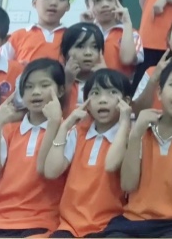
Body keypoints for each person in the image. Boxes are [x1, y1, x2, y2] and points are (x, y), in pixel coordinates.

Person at [105, 58, 172, 238]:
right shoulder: (141, 128)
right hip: (134, 219)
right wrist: (136, 134)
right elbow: (127, 184)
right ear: (160, 93)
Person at [0, 59, 69, 237]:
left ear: (61, 90)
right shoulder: (9, 130)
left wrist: (55, 123)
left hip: (41, 221)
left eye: (44, 85)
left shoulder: (67, 130)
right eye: (29, 87)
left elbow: (44, 170)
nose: (36, 92)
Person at [44, 69, 134, 238]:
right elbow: (51, 171)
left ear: (126, 102)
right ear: (86, 104)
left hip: (111, 225)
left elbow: (111, 165)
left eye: (112, 93)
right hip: (70, 225)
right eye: (95, 93)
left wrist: (124, 123)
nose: (103, 100)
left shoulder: (130, 136)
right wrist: (65, 126)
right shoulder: (77, 132)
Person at [82, 0, 143, 78]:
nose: (105, 4)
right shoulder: (84, 30)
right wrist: (85, 26)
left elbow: (127, 59)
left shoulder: (131, 33)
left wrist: (127, 24)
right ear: (87, 4)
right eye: (97, 0)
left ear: (119, 1)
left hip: (117, 86)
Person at [1, 0, 71, 65]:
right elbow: (1, 67)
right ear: (34, 3)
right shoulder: (15, 37)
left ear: (68, 7)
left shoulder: (73, 37)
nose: (53, 3)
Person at [58, 22, 105, 112]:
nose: (88, 53)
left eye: (95, 47)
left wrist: (104, 80)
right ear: (65, 51)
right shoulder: (55, 79)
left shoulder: (112, 80)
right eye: (80, 46)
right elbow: (58, 111)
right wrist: (68, 81)